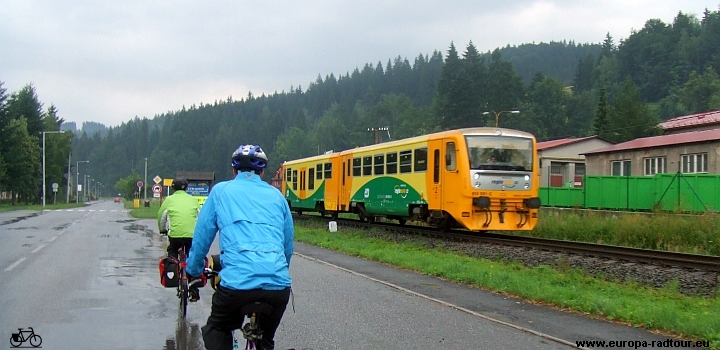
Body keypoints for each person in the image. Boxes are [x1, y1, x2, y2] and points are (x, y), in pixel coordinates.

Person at [185, 144, 294, 350]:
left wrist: (193, 269)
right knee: (266, 339)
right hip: (278, 286)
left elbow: (202, 239)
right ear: (262, 172)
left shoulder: (220, 192)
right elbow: (287, 245)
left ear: (234, 171)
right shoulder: (277, 196)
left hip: (236, 286)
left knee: (217, 328)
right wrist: (277, 270)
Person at [158, 177, 200, 260]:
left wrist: (162, 229)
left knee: (172, 251)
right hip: (191, 235)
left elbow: (161, 217)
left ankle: (172, 269)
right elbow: (200, 217)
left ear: (173, 188)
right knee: (191, 254)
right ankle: (191, 270)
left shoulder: (168, 200)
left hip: (174, 235)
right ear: (187, 188)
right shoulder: (193, 200)